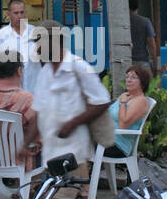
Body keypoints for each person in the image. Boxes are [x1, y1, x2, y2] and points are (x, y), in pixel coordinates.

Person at [33, 20, 111, 175]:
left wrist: (72, 124)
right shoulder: (45, 72)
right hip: (50, 152)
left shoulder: (79, 67)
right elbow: (38, 109)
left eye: (39, 42)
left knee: (64, 198)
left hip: (73, 153)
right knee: (58, 198)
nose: (37, 48)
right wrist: (27, 142)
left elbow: (102, 101)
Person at [0, 0, 39, 92]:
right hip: (10, 90)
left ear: (25, 13)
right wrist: (8, 66)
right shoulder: (0, 35)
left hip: (34, 88)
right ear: (8, 14)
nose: (19, 16)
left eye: (22, 12)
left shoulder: (36, 32)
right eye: (16, 13)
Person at [102, 64, 152, 161]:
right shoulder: (124, 95)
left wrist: (123, 103)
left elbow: (123, 125)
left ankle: (81, 176)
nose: (128, 80)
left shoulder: (140, 101)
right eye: (127, 77)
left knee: (77, 145)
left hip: (118, 146)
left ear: (143, 82)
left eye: (133, 78)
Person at [127, 0, 159, 73]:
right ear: (138, 6)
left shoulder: (121, 24)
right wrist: (155, 63)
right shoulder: (145, 22)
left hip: (125, 62)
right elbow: (151, 45)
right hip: (142, 63)